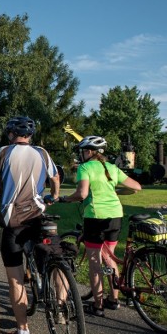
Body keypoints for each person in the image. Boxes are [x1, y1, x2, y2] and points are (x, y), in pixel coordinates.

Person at [0, 116, 60, 334]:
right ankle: (63, 306)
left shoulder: (3, 153)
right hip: (37, 216)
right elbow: (55, 178)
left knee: (15, 279)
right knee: (52, 253)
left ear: (10, 134)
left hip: (12, 220)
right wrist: (53, 197)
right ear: (30, 135)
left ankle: (23, 332)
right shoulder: (42, 153)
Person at [60, 135, 141, 317]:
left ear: (89, 152)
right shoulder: (112, 167)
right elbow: (136, 187)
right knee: (109, 258)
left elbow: (82, 194)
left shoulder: (85, 168)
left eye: (82, 151)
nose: (81, 155)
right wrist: (115, 191)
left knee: (95, 262)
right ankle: (114, 300)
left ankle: (98, 306)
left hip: (96, 217)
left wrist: (65, 198)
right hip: (115, 216)